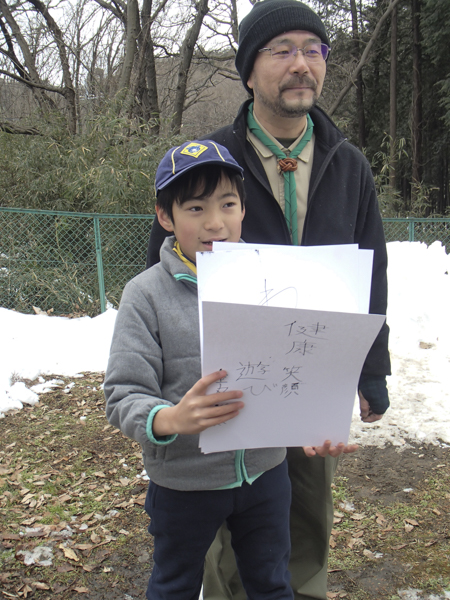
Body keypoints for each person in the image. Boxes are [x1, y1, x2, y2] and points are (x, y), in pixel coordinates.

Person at [146, 2, 391, 600]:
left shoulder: (348, 163)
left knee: (303, 514)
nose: (301, 64)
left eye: (314, 49)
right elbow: (163, 267)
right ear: (250, 71)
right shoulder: (207, 161)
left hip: (315, 374)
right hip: (230, 379)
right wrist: (168, 383)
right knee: (227, 518)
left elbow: (373, 267)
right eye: (282, 50)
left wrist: (370, 368)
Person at [104, 139, 295, 600]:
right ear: (165, 216)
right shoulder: (145, 295)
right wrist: (169, 419)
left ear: (244, 209)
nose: (215, 222)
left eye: (228, 203)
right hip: (184, 481)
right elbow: (123, 392)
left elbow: (304, 362)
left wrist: (319, 417)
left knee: (272, 584)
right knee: (174, 585)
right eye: (195, 207)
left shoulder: (277, 277)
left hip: (266, 472)